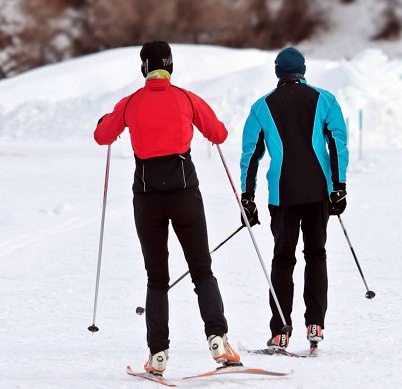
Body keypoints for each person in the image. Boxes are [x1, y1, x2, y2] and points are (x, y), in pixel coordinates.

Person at [93, 41, 240, 375]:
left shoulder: (130, 103)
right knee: (202, 269)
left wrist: (106, 119)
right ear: (170, 67)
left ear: (144, 68)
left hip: (147, 200)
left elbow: (102, 136)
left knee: (157, 279)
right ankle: (218, 340)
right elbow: (219, 134)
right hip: (185, 195)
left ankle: (157, 355)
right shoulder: (186, 98)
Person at [239, 47, 349, 351]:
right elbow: (337, 143)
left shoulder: (262, 107)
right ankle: (315, 324)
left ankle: (280, 331)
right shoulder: (325, 99)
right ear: (303, 70)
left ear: (278, 72)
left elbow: (251, 156)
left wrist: (247, 198)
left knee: (283, 260)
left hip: (282, 194)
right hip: (318, 192)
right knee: (316, 255)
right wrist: (339, 186)